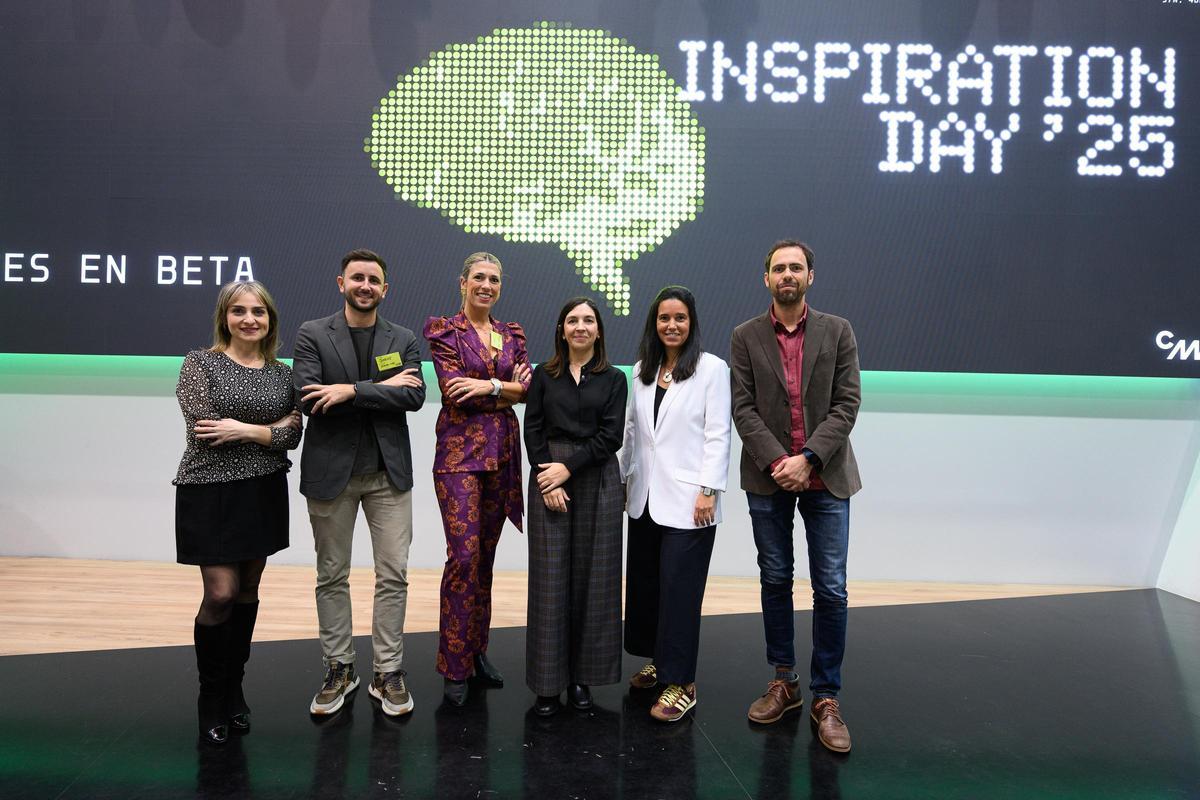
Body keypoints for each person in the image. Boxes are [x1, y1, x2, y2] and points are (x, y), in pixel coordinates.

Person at [730, 239, 862, 753]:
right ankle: (783, 681)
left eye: (796, 267)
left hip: (826, 477)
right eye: (779, 268)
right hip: (768, 478)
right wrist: (777, 462)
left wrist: (806, 459)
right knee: (775, 578)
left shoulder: (838, 330)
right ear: (766, 278)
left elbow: (847, 404)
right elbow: (743, 408)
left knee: (830, 588)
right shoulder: (745, 336)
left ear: (811, 275)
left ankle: (827, 696)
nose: (788, 274)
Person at [293, 248, 426, 717]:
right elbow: (310, 399)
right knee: (332, 575)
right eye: (357, 278)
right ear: (341, 283)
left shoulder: (404, 338)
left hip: (389, 476)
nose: (365, 285)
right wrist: (380, 391)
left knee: (394, 576)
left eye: (374, 279)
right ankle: (340, 667)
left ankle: (387, 671)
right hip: (332, 475)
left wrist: (349, 390)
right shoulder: (313, 334)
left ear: (384, 289)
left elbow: (412, 395)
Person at [173, 280, 302, 745]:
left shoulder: (282, 373)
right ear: (224, 317)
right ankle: (211, 693)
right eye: (239, 311)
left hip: (262, 490)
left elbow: (294, 432)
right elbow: (204, 430)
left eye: (259, 312)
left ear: (270, 320)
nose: (250, 319)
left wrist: (245, 430)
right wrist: (269, 431)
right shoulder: (199, 363)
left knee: (247, 589)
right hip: (208, 490)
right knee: (222, 593)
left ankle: (235, 688)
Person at [424, 252, 531, 706]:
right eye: (479, 278)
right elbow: (454, 392)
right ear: (463, 282)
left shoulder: (512, 335)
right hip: (459, 459)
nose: (486, 285)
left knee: (485, 559)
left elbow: (527, 390)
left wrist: (488, 387)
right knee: (463, 558)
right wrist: (504, 390)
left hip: (502, 457)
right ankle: (453, 663)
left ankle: (477, 651)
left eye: (494, 279)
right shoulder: (445, 331)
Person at [621, 285, 731, 723]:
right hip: (644, 497)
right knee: (648, 586)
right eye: (664, 318)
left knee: (680, 591)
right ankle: (659, 662)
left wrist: (709, 489)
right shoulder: (642, 369)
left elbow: (718, 432)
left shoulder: (711, 369)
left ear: (692, 323)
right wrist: (620, 479)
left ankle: (682, 682)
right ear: (654, 323)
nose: (671, 325)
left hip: (691, 502)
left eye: (680, 318)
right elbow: (632, 431)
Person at [524, 297, 628, 716]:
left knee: (594, 581)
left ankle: (583, 678)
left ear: (599, 330)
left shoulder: (615, 379)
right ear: (562, 330)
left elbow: (611, 437)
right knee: (550, 582)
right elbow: (532, 429)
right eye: (573, 320)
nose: (580, 326)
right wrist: (545, 475)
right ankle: (548, 683)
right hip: (549, 477)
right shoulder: (543, 376)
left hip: (597, 477)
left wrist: (567, 469)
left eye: (588, 320)